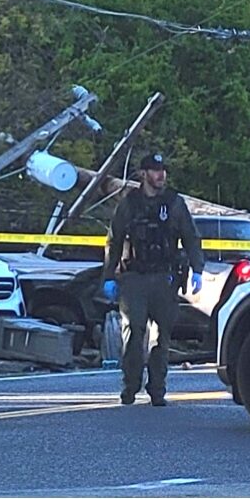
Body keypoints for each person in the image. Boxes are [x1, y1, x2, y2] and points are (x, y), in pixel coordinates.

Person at [102, 152, 204, 406]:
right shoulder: (129, 203)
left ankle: (157, 389)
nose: (161, 175)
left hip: (164, 277)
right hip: (134, 277)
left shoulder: (174, 203)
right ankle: (130, 386)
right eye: (156, 170)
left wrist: (197, 268)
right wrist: (108, 276)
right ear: (143, 174)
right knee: (134, 331)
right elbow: (114, 240)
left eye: (163, 170)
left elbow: (191, 237)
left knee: (163, 335)